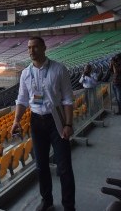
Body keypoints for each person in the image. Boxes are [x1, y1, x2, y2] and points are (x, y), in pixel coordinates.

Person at [12, 36, 75, 211]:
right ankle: (46, 200)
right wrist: (16, 120)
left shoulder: (59, 69)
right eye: (29, 48)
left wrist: (68, 125)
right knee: (41, 166)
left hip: (56, 120)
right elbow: (22, 100)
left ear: (44, 48)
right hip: (36, 122)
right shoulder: (25, 73)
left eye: (35, 47)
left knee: (64, 167)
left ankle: (69, 205)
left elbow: (68, 99)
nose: (31, 51)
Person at [109, 53, 121, 118]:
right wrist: (111, 63)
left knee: (120, 98)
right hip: (114, 83)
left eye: (118, 59)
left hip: (119, 84)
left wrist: (114, 64)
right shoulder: (116, 64)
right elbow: (111, 70)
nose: (117, 60)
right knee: (117, 99)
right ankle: (120, 111)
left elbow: (116, 72)